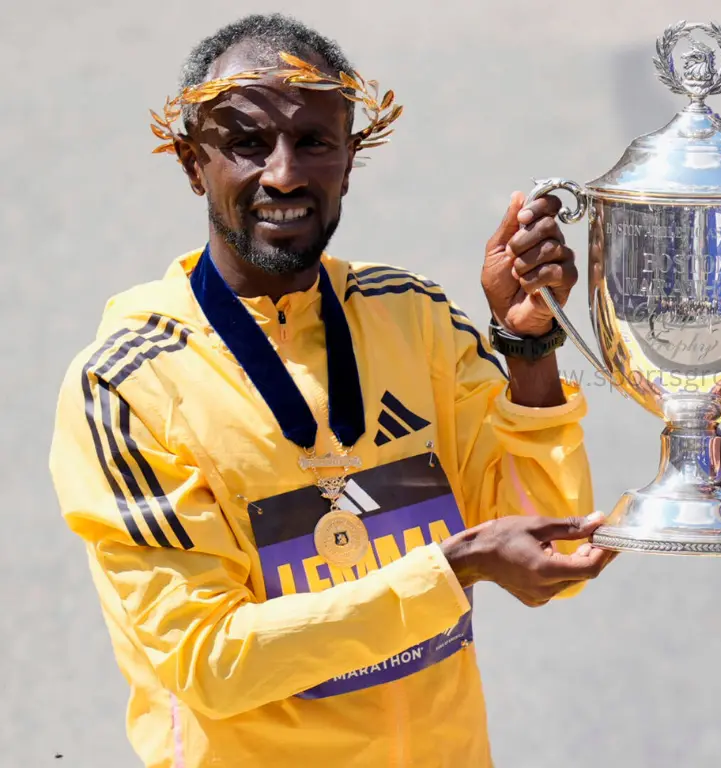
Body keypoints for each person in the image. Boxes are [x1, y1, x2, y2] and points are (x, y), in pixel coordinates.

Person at [48, 14, 615, 768]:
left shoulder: (413, 318)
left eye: (313, 141)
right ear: (192, 164)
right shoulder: (127, 384)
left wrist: (532, 347)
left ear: (350, 160)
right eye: (247, 143)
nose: (283, 174)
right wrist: (450, 570)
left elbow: (550, 542)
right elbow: (210, 663)